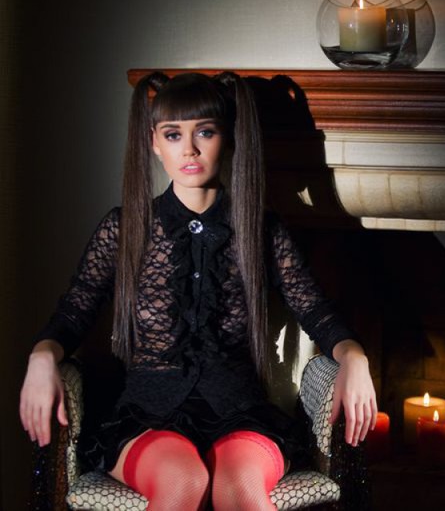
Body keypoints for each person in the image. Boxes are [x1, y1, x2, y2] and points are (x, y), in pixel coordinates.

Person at [18, 71, 377, 510]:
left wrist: (354, 356)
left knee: (241, 489)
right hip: (148, 417)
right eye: (174, 134)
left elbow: (315, 309)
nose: (189, 149)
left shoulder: (261, 230)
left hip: (240, 413)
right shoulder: (125, 227)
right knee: (183, 481)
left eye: (204, 132)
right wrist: (42, 355)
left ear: (227, 138)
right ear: (154, 142)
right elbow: (76, 309)